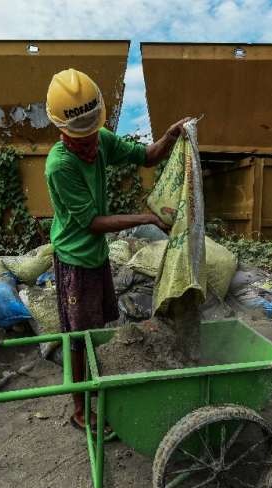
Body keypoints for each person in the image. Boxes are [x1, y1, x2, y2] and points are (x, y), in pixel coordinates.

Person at [44, 68, 189, 433]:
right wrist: (147, 218)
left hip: (96, 255)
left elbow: (147, 156)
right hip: (75, 260)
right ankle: (80, 409)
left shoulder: (100, 140)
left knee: (98, 326)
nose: (89, 144)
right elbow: (91, 222)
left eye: (92, 133)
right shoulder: (60, 166)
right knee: (78, 337)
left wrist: (170, 136)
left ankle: (97, 385)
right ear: (61, 129)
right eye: (80, 138)